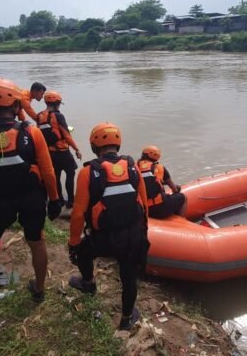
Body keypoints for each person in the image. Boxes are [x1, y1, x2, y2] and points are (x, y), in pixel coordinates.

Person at [0, 78, 63, 312]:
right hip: (32, 199)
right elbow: (48, 172)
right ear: (16, 105)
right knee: (37, 242)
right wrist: (55, 199)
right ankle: (39, 288)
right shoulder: (32, 133)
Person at [67, 122, 150, 331]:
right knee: (129, 276)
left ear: (94, 146)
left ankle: (88, 283)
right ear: (118, 144)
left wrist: (73, 243)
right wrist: (144, 233)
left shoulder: (87, 172)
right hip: (132, 236)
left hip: (103, 239)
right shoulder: (133, 167)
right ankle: (127, 317)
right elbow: (144, 204)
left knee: (84, 252)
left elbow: (77, 215)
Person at [37, 91, 83, 208]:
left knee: (56, 176)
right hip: (63, 152)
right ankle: (71, 202)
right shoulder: (58, 116)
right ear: (57, 103)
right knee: (70, 173)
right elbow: (66, 135)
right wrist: (76, 149)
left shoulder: (39, 116)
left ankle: (60, 200)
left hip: (50, 153)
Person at [137, 145, 187, 218]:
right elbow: (174, 189)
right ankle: (182, 221)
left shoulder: (135, 167)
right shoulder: (159, 168)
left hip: (142, 209)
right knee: (183, 197)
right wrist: (177, 189)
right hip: (159, 208)